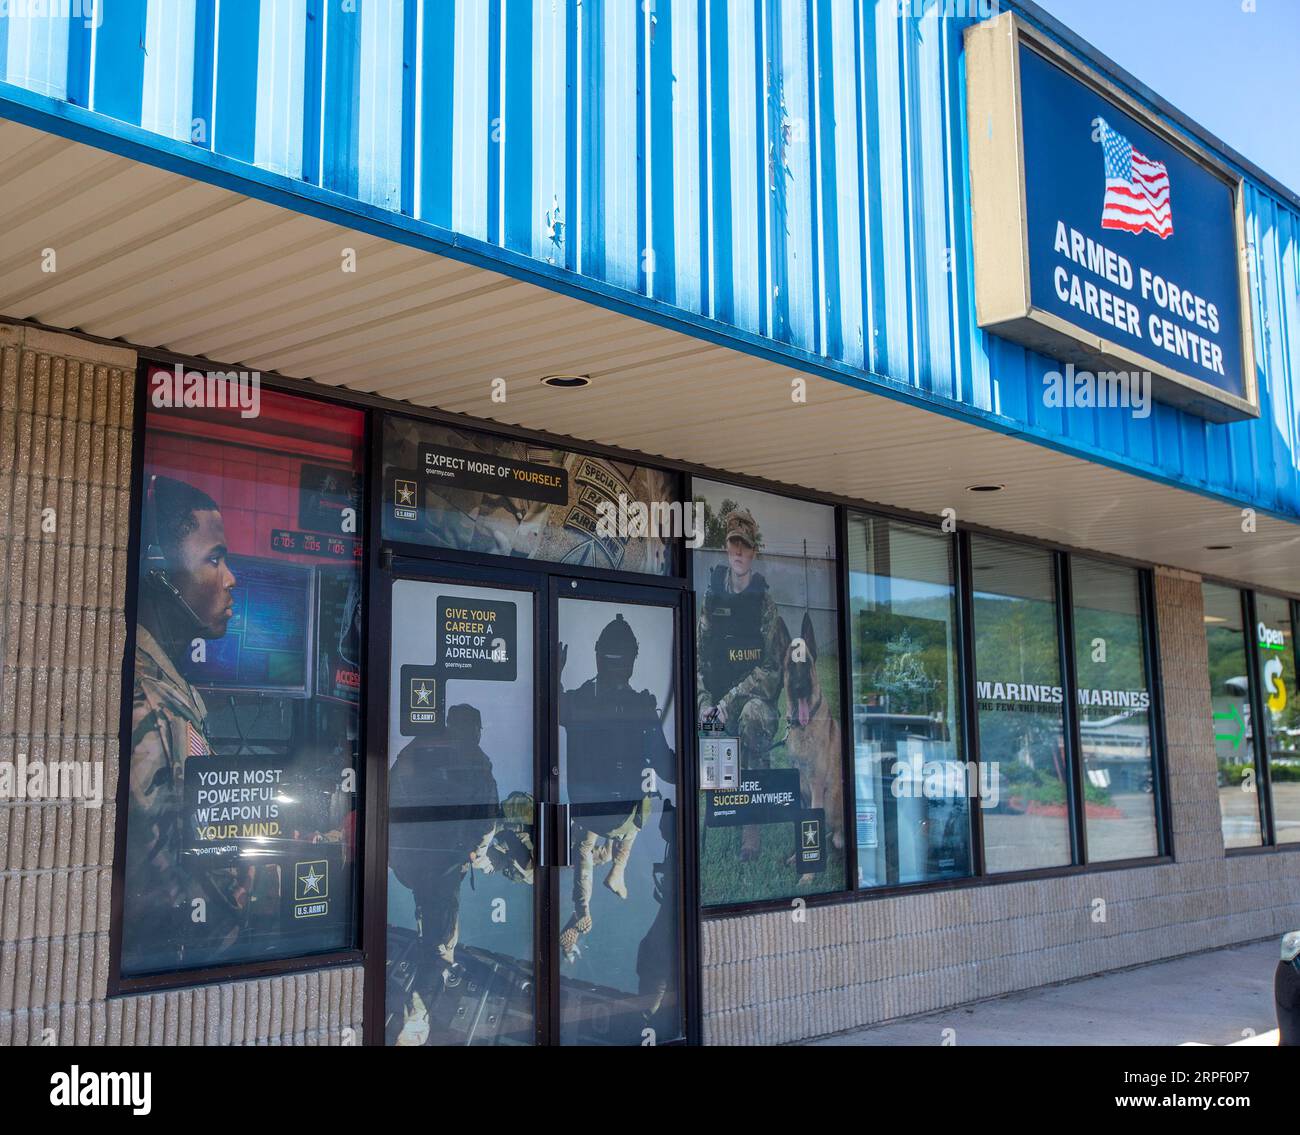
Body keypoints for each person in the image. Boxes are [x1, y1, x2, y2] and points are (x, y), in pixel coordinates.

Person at [123, 474, 241, 971]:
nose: (229, 577)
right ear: (160, 574)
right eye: (213, 559)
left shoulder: (166, 684)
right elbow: (174, 890)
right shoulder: (152, 708)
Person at [558, 613, 674, 961]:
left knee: (585, 844)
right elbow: (668, 770)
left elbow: (552, 702)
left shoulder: (577, 700)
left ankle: (584, 907)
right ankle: (617, 872)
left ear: (598, 656)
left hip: (587, 809)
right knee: (639, 813)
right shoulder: (642, 706)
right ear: (632, 663)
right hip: (623, 815)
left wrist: (556, 671)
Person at [388, 703, 502, 1045]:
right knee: (439, 943)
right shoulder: (478, 763)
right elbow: (486, 821)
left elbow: (391, 790)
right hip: (442, 865)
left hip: (410, 858)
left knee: (432, 925)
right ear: (476, 729)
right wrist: (477, 855)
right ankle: (417, 1014)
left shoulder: (419, 747)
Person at [696, 508, 784, 861]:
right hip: (716, 700)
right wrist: (704, 701)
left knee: (750, 716)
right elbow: (699, 657)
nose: (738, 552)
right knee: (712, 728)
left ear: (753, 552)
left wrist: (728, 701)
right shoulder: (712, 595)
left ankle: (751, 828)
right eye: (733, 544)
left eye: (745, 547)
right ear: (725, 548)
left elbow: (772, 669)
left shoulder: (764, 600)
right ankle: (720, 816)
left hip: (752, 702)